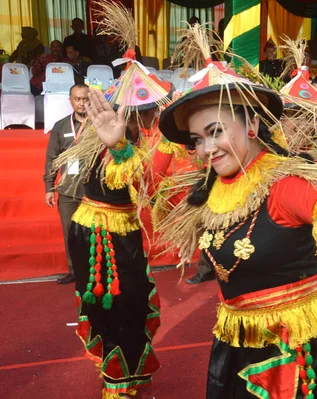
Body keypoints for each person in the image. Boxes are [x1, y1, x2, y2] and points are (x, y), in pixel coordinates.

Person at [153, 24, 317, 399]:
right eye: (197, 139)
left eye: (216, 131)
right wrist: (118, 147)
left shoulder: (282, 184)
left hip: (292, 356)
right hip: (235, 346)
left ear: (251, 125)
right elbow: (150, 200)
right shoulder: (212, 190)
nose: (207, 148)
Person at [52, 4, 180, 397]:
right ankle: (118, 379)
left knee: (130, 305)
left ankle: (125, 375)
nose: (138, 115)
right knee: (112, 308)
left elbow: (147, 184)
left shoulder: (155, 145)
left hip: (113, 236)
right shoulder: (95, 136)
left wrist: (124, 147)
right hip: (97, 237)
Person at [44, 84, 89, 284]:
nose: (81, 103)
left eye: (85, 99)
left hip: (93, 192)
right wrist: (49, 187)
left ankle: (96, 271)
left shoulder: (99, 125)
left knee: (94, 234)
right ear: (70, 100)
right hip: (68, 191)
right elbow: (52, 158)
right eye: (77, 99)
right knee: (70, 233)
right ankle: (73, 270)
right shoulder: (61, 126)